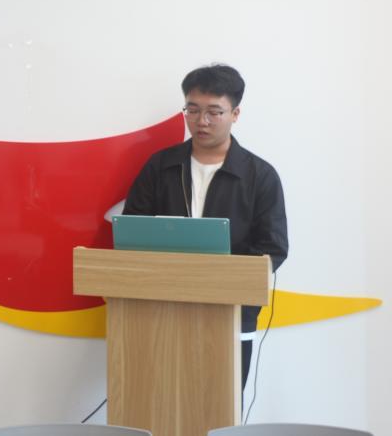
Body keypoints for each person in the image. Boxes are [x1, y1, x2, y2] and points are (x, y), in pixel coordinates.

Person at [123, 64, 288, 390]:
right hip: (160, 310)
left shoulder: (259, 176)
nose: (202, 121)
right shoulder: (160, 166)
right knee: (158, 399)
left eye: (214, 112)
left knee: (220, 406)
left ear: (235, 113)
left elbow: (273, 249)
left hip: (230, 316)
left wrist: (215, 277)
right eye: (193, 110)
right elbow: (132, 231)